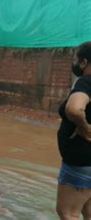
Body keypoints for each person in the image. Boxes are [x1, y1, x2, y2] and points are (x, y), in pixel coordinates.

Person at [55, 41, 91, 220]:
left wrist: (85, 128)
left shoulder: (86, 82)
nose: (75, 64)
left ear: (84, 62)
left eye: (77, 59)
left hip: (81, 159)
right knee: (88, 212)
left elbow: (74, 109)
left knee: (68, 213)